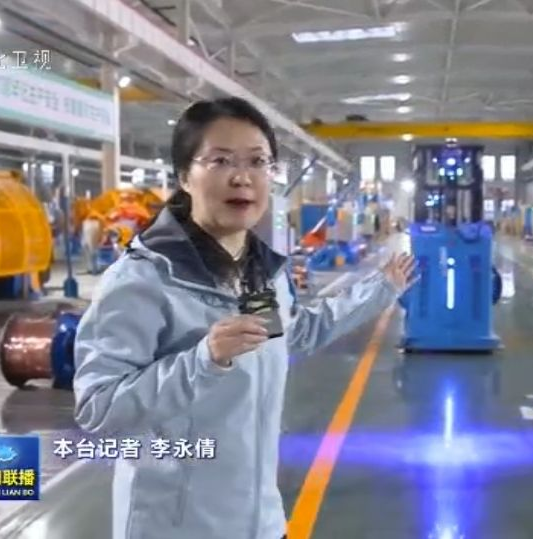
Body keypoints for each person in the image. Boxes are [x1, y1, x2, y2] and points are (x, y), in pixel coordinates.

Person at [72, 97, 415, 539]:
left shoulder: (257, 275)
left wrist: (379, 290)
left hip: (260, 522)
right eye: (220, 161)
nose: (242, 177)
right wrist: (204, 360)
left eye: (257, 161)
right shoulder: (144, 280)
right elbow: (98, 408)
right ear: (184, 176)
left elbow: (291, 335)